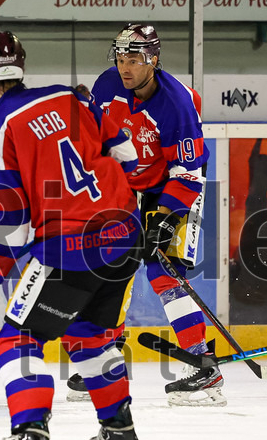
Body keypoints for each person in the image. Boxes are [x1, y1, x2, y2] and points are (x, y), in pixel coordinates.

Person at [0, 31, 143, 440]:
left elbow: (11, 228)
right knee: (89, 334)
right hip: (125, 236)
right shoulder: (72, 97)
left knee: (17, 340)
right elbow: (128, 157)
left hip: (70, 249)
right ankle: (119, 438)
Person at [68, 23, 218, 406]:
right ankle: (107, 356)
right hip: (129, 185)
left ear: (153, 60)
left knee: (163, 270)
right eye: (121, 57)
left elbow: (188, 172)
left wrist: (164, 219)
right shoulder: (107, 85)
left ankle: (204, 368)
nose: (125, 66)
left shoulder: (176, 104)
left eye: (134, 59)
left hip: (175, 184)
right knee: (112, 264)